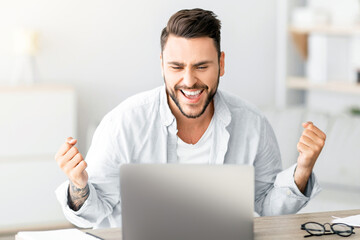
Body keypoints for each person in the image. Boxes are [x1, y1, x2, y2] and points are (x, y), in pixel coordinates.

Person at [55, 8, 326, 228]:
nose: (189, 81)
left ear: (221, 64)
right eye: (176, 67)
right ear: (162, 64)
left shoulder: (254, 124)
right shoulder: (123, 124)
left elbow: (269, 210)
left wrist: (302, 170)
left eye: (201, 66)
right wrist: (79, 186)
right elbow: (91, 215)